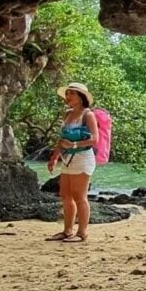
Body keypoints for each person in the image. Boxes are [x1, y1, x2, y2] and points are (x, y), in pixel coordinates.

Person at [45, 82, 99, 243]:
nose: (68, 97)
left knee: (79, 196)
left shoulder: (88, 115)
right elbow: (61, 140)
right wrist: (54, 157)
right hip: (67, 159)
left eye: (72, 94)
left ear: (81, 97)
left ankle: (82, 233)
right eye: (67, 93)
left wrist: (74, 145)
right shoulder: (67, 114)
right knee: (65, 195)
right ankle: (67, 230)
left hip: (83, 158)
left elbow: (95, 139)